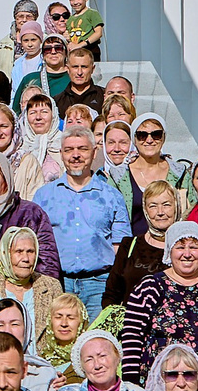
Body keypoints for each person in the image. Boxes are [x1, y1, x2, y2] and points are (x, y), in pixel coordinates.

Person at [30, 128, 130, 317]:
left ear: (94, 152)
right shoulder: (43, 196)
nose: (75, 155)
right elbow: (34, 243)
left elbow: (121, 247)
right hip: (57, 283)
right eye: (69, 150)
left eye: (82, 149)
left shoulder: (112, 196)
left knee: (97, 343)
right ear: (61, 154)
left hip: (100, 285)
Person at [118, 225, 198, 383]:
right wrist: (130, 383)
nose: (187, 254)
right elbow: (132, 338)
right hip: (158, 381)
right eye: (180, 247)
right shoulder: (150, 287)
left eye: (194, 247)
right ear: (169, 250)